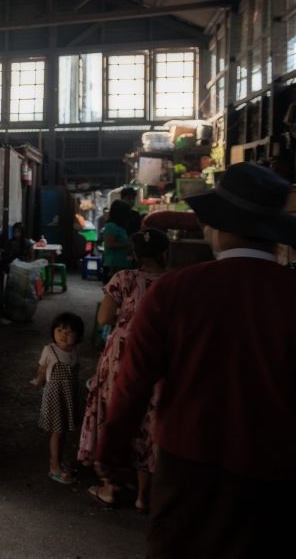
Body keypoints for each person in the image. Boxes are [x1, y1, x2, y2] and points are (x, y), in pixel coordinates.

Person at [95, 162, 296, 557]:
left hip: (187, 464)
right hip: (274, 473)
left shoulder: (175, 290)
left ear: (219, 227)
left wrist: (113, 450)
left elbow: (133, 382)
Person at [78, 228, 169, 510]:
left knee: (115, 411)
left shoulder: (123, 278)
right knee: (150, 419)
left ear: (135, 254)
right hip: (160, 356)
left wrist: (128, 316)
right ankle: (144, 495)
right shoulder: (174, 282)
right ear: (165, 253)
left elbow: (104, 317)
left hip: (122, 355)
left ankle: (111, 486)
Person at [31, 311, 84, 485]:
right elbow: (41, 369)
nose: (63, 335)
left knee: (64, 432)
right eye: (60, 330)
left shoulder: (74, 351)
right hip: (55, 397)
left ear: (77, 336)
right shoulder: (50, 350)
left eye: (69, 332)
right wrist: (38, 382)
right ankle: (54, 467)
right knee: (57, 432)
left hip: (69, 396)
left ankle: (59, 461)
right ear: (53, 331)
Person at [101, 200, 133, 283]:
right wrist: (128, 244)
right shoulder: (111, 226)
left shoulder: (120, 227)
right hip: (113, 265)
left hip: (121, 264)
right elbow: (110, 244)